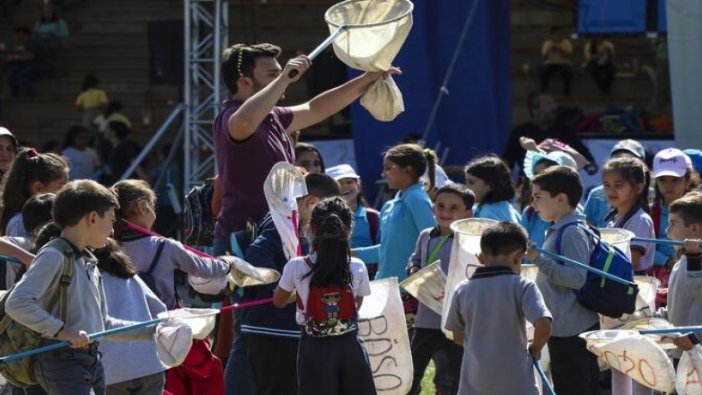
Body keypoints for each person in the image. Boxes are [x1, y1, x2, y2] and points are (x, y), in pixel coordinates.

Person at [212, 43, 399, 256]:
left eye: (279, 73)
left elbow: (316, 108)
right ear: (244, 81)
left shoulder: (274, 117)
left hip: (280, 236)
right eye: (272, 74)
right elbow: (244, 122)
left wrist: (368, 78)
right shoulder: (229, 118)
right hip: (242, 240)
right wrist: (283, 79)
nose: (282, 79)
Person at [5, 180, 155, 395]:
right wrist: (62, 331)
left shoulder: (89, 262)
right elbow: (17, 303)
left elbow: (102, 323)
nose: (113, 230)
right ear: (92, 218)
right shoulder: (53, 255)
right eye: (111, 220)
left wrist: (154, 331)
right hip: (61, 360)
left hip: (91, 359)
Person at [230, 173, 340, 395]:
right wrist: (286, 287)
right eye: (327, 212)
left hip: (278, 328)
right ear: (311, 203)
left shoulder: (292, 224)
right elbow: (256, 254)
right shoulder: (280, 223)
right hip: (274, 329)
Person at [272, 197, 375, 395]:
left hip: (315, 348)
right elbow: (357, 303)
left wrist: (295, 293)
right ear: (348, 229)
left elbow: (279, 301)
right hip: (351, 346)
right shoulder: (357, 266)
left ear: (312, 228)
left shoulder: (296, 266)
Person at [446, 221, 552, 395]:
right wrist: (536, 349)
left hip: (475, 385)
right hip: (518, 385)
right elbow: (544, 325)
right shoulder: (523, 286)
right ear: (519, 257)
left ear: (481, 257)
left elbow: (458, 336)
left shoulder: (462, 289)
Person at [526, 166, 600, 395]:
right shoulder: (561, 229)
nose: (533, 204)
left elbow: (576, 278)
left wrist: (538, 259)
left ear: (560, 199)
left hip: (572, 330)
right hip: (563, 327)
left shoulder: (572, 231)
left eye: (538, 197)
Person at [112, 179, 231, 309]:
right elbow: (205, 269)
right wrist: (229, 263)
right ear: (141, 207)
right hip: (163, 324)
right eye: (152, 206)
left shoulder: (107, 247)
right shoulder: (165, 247)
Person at [406, 183, 474, 395]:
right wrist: (413, 268)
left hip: (456, 321)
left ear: (467, 213)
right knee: (411, 371)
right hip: (426, 317)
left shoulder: (471, 241)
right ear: (433, 207)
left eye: (454, 208)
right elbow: (414, 259)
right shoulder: (426, 235)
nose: (445, 212)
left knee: (455, 375)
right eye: (440, 206)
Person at [601, 157, 655, 395]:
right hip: (616, 292)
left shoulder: (640, 220)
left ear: (638, 187)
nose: (611, 190)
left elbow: (630, 262)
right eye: (607, 184)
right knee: (618, 360)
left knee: (638, 358)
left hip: (637, 292)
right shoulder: (612, 217)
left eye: (618, 184)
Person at [353, 143, 436, 282]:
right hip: (388, 286)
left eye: (388, 168)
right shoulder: (390, 206)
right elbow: (387, 250)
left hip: (410, 291)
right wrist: (351, 254)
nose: (383, 174)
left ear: (408, 170)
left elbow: (433, 243)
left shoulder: (416, 198)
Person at [94, 239, 168, 395]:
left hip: (111, 369)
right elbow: (160, 310)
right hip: (149, 363)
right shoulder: (128, 275)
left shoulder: (86, 279)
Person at [502, 91, 594, 172]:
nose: (554, 107)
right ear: (535, 110)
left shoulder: (565, 131)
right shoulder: (521, 133)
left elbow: (581, 152)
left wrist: (589, 164)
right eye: (548, 104)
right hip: (529, 182)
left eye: (554, 103)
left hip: (559, 181)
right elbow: (509, 160)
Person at [658, 192, 702, 357]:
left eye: (673, 224)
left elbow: (697, 287)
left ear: (694, 228)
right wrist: (658, 316)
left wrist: (696, 336)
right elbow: (684, 300)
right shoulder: (684, 259)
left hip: (697, 352)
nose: (667, 230)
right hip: (681, 352)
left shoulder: (693, 258)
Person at [650, 148, 699, 290]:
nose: (668, 185)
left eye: (675, 180)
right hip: (658, 279)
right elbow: (645, 247)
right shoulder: (650, 210)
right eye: (662, 180)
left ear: (688, 180)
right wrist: (667, 261)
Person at [326, 163, 380, 278]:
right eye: (339, 183)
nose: (345, 186)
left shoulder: (374, 217)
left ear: (358, 186)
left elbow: (385, 249)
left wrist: (348, 254)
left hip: (370, 283)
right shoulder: (323, 220)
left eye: (349, 181)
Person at [0, 148, 69, 237]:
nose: (67, 191)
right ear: (38, 189)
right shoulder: (20, 223)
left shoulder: (52, 216)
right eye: (62, 186)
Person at [520, 150, 578, 247]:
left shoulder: (574, 220)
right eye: (535, 174)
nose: (537, 179)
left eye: (544, 174)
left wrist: (539, 260)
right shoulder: (530, 212)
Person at [584, 139, 646, 227]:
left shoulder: (642, 218)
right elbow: (588, 227)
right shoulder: (595, 194)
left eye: (628, 161)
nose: (621, 164)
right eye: (617, 159)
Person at [464, 155, 521, 222]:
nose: (466, 187)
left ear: (491, 185)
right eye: (466, 182)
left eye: (471, 182)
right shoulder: (508, 208)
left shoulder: (489, 214)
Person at [4, 26, 47, 99]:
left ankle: (32, 95)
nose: (18, 36)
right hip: (27, 63)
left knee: (22, 76)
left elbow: (31, 56)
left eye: (19, 34)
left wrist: (16, 58)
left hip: (38, 63)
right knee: (11, 73)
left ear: (24, 34)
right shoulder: (24, 42)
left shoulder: (33, 42)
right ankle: (14, 94)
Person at [540, 26, 573, 95]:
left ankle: (567, 94)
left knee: (567, 73)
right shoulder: (547, 43)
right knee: (544, 73)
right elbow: (544, 57)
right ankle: (544, 93)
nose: (559, 36)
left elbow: (569, 56)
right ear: (552, 35)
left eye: (561, 34)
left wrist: (560, 50)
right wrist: (550, 50)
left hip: (564, 63)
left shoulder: (567, 42)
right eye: (557, 34)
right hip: (550, 63)